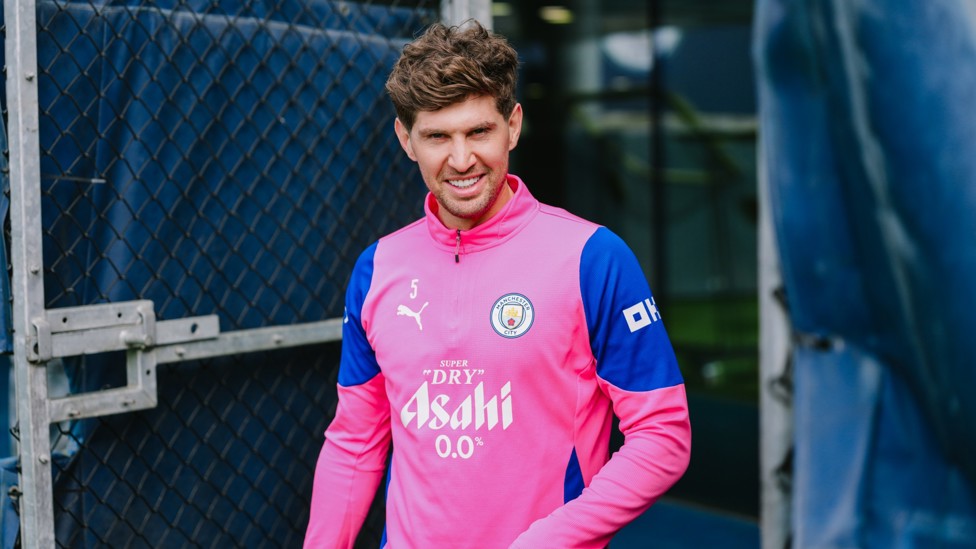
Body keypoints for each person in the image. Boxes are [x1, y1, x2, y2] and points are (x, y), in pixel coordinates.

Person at [304, 20, 691, 549]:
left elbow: (663, 437)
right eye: (438, 136)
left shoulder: (592, 257)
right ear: (405, 139)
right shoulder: (378, 268)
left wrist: (546, 541)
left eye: (478, 132)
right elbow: (355, 441)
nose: (461, 160)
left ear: (512, 126)